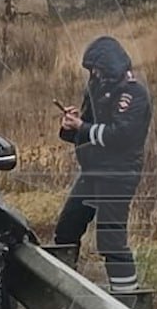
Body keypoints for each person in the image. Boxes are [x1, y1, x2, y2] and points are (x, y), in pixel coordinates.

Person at [54, 36, 151, 295]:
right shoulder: (95, 90)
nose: (93, 74)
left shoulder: (133, 94)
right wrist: (69, 126)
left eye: (96, 69)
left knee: (111, 241)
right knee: (66, 229)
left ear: (110, 66)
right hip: (92, 173)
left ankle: (128, 301)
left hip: (118, 176)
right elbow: (83, 129)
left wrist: (82, 127)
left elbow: (121, 136)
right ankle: (63, 290)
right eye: (90, 70)